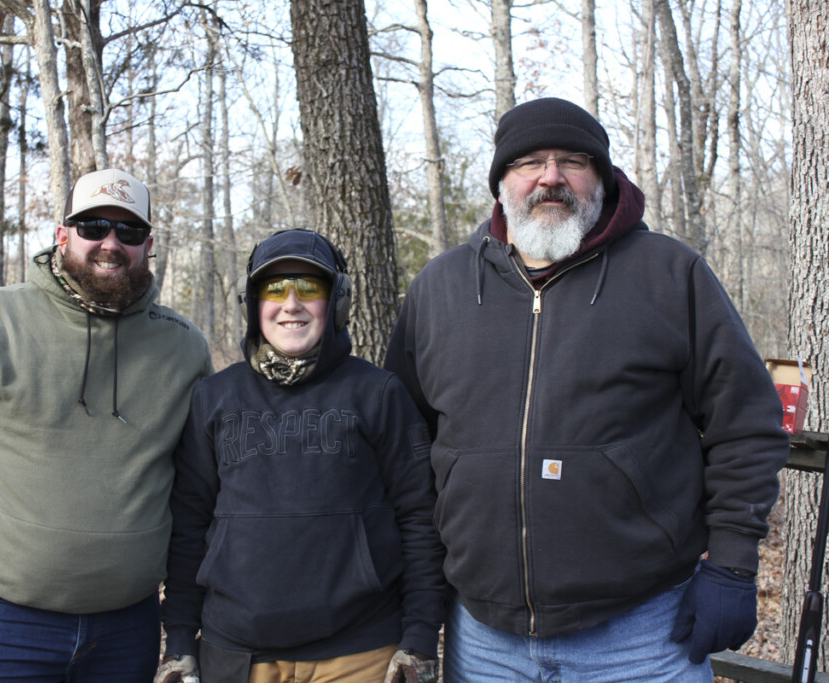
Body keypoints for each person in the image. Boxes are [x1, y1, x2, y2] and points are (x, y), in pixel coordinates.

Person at [383, 97, 790, 681]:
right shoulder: (439, 289)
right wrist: (419, 602)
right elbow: (406, 448)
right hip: (483, 639)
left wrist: (732, 563)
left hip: (641, 635)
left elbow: (746, 424)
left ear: (601, 178)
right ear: (501, 182)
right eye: (529, 162)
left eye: (572, 161)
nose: (550, 177)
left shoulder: (669, 275)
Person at [0, 168, 213, 681]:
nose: (110, 243)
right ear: (62, 235)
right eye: (93, 226)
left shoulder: (183, 347)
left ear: (148, 246)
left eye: (129, 231)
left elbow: (198, 483)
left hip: (127, 628)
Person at [153, 229, 445, 683]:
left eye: (309, 288)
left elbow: (419, 517)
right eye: (275, 289)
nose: (291, 304)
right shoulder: (214, 397)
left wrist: (420, 637)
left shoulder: (379, 393)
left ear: (337, 302)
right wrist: (178, 641)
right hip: (237, 650)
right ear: (252, 304)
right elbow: (189, 524)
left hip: (359, 651)